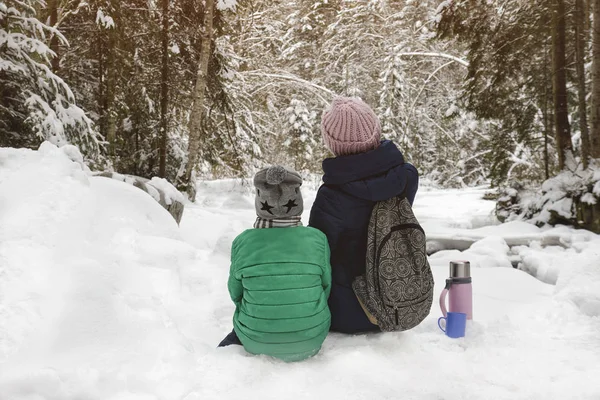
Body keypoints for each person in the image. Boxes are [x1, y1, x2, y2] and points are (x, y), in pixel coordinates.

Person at [308, 97, 419, 334]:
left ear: (332, 144)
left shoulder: (331, 195)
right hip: (398, 300)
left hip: (347, 311)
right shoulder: (406, 177)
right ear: (376, 131)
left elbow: (318, 252)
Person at [219, 165, 332, 362]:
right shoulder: (317, 239)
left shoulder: (243, 241)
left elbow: (235, 292)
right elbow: (325, 285)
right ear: (297, 199)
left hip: (253, 339)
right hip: (311, 338)